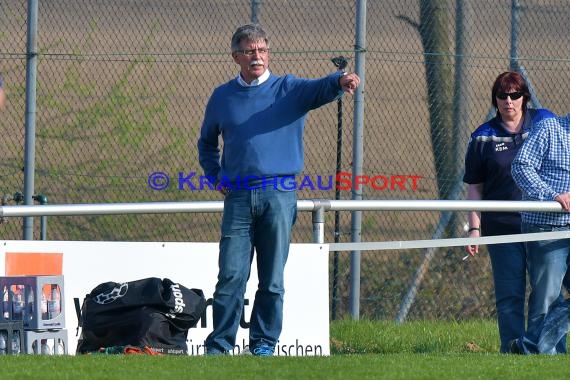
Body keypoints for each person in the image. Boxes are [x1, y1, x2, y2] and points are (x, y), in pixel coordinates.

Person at [197, 23, 360, 356]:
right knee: (230, 276)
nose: (256, 56)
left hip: (279, 195)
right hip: (238, 197)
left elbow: (321, 87)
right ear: (235, 56)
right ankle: (219, 346)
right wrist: (216, 177)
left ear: (268, 53)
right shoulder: (222, 97)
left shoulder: (288, 88)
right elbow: (206, 144)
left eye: (261, 50)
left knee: (271, 280)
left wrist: (341, 81)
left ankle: (263, 344)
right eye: (249, 51)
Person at [462, 71, 559, 353]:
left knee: (546, 295)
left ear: (524, 97)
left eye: (515, 95)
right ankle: (513, 350)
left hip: (543, 225)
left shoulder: (545, 122)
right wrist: (474, 228)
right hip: (502, 227)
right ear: (495, 100)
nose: (509, 101)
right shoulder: (482, 137)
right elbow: (474, 188)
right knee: (509, 296)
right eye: (502, 96)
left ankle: (545, 347)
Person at [510, 113, 570, 354]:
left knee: (551, 299)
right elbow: (521, 166)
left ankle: (531, 346)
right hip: (547, 227)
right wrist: (552, 195)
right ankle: (546, 355)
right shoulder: (549, 129)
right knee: (547, 297)